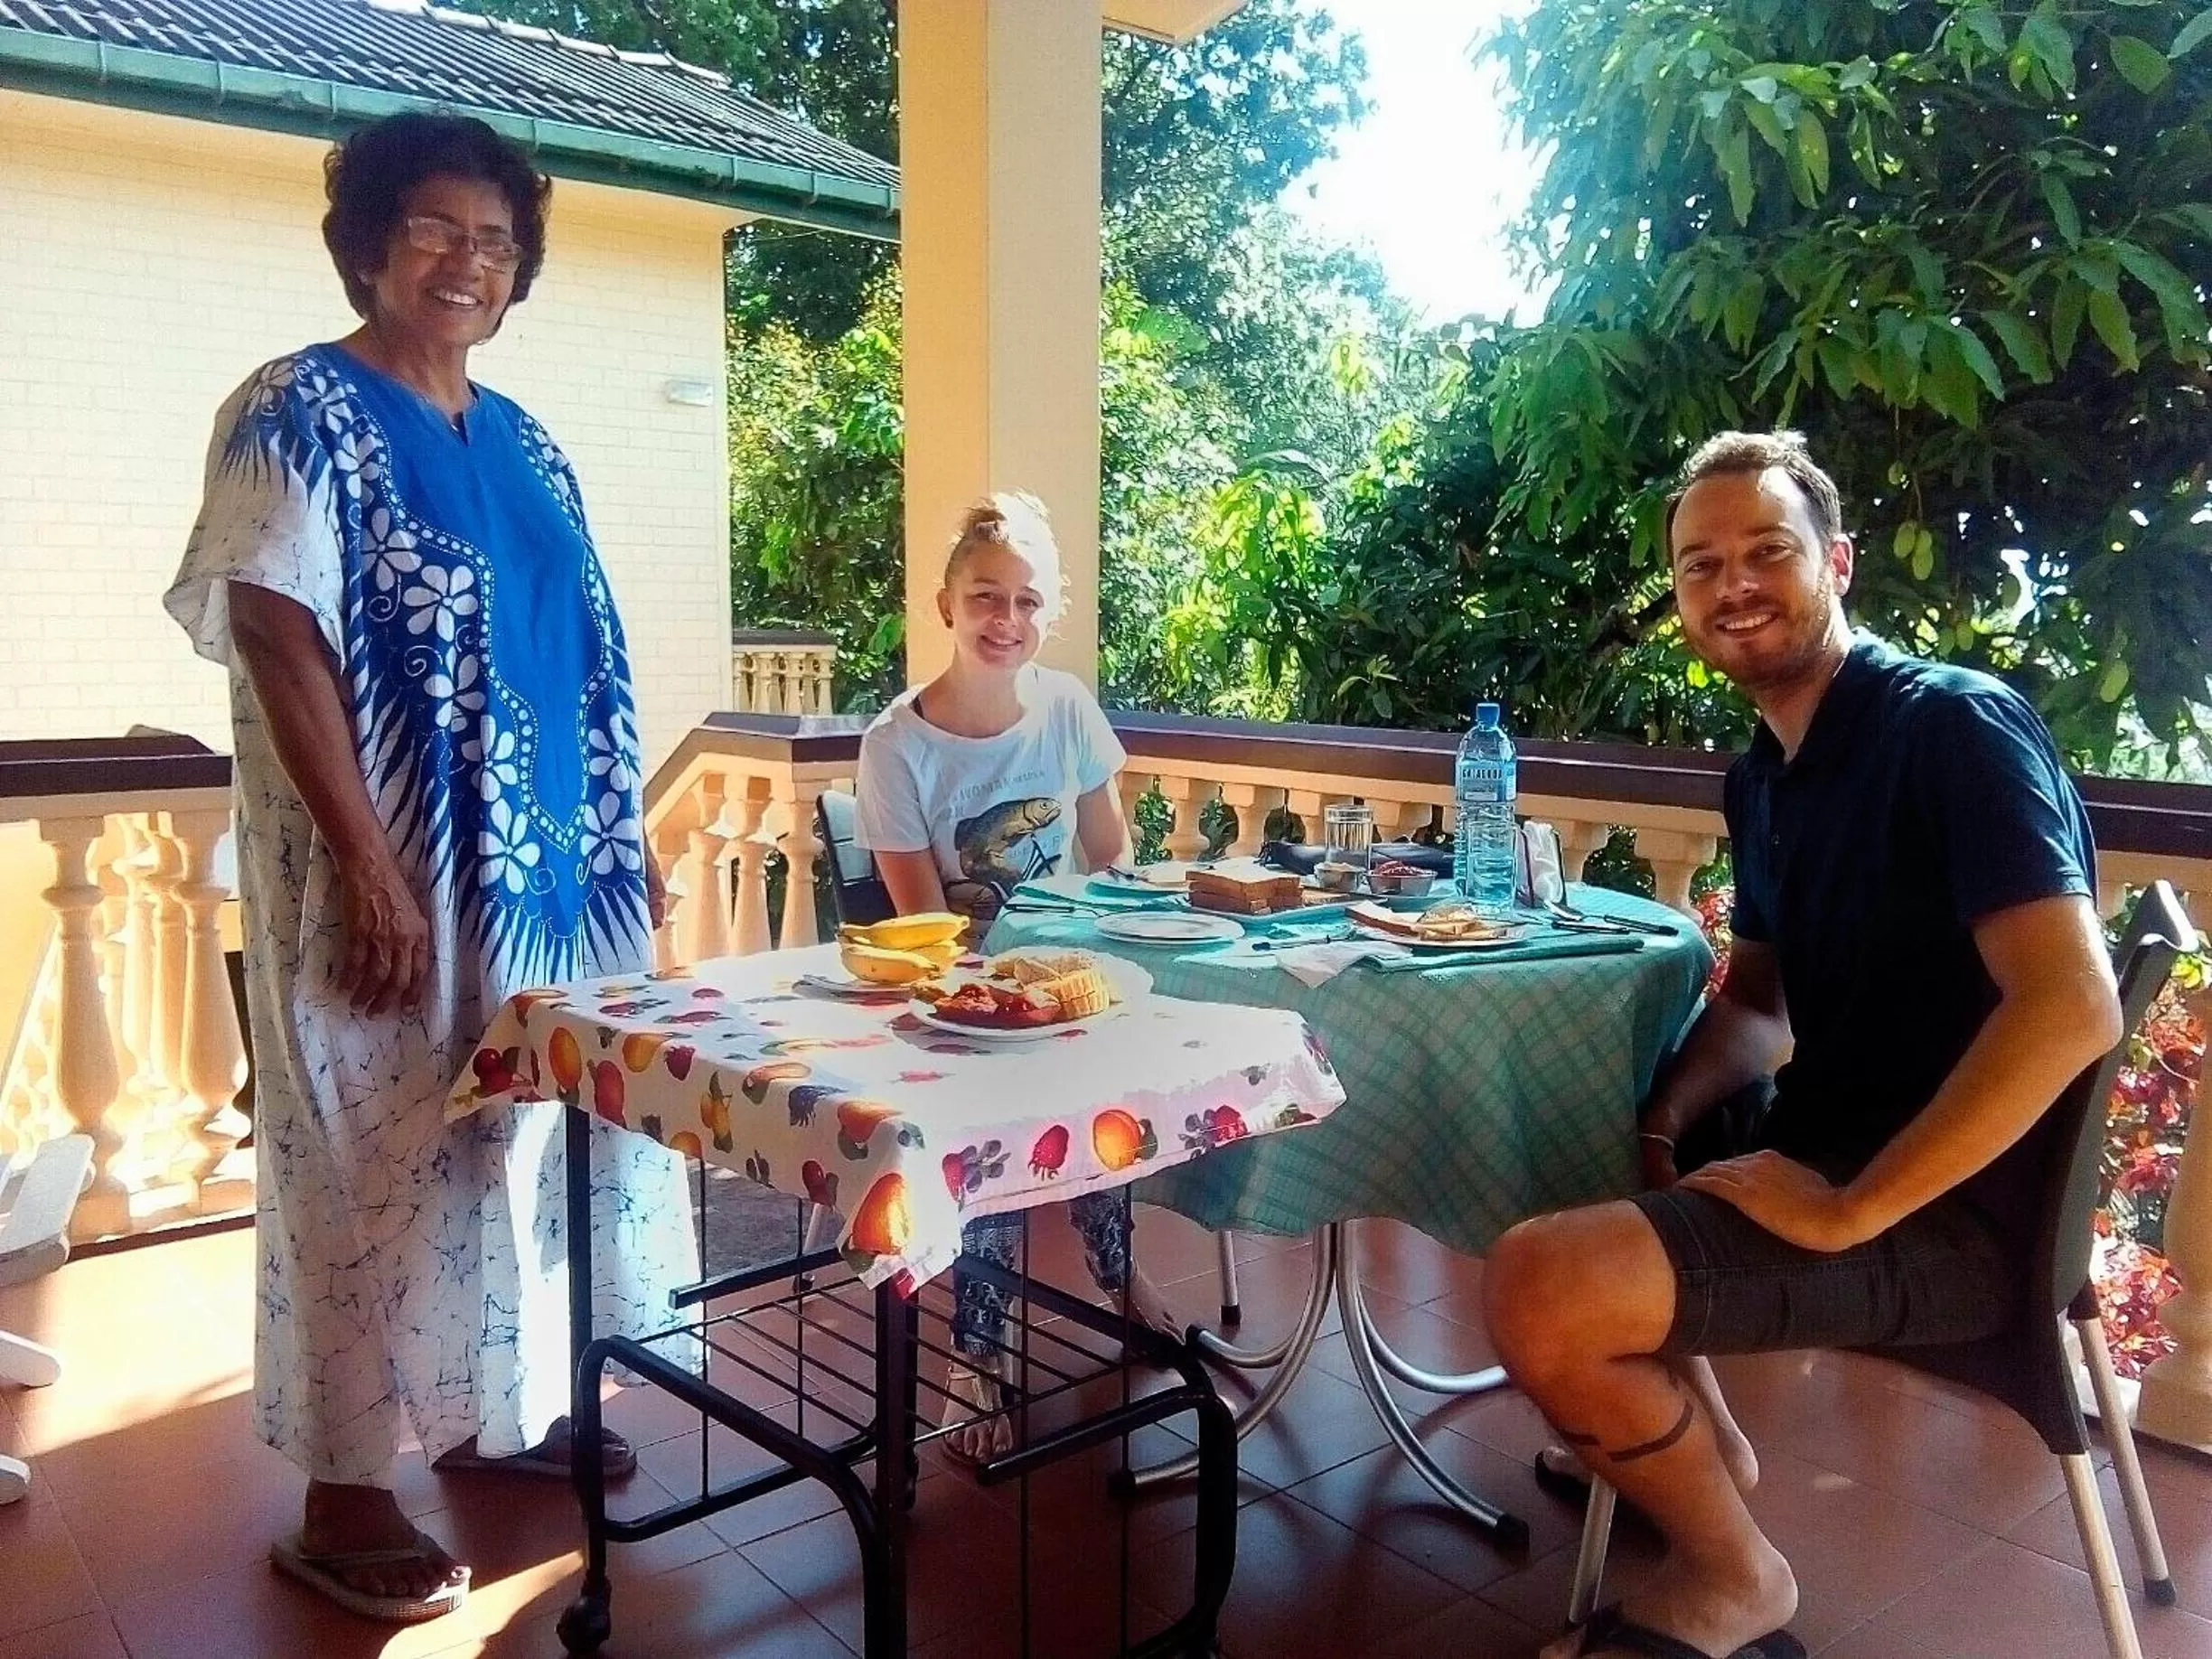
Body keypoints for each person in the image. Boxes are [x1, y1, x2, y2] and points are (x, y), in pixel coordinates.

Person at [164, 113, 698, 1625]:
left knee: (529, 1143)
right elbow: (275, 624)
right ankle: (342, 1491)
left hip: (551, 883)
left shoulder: (527, 438)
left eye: (497, 238)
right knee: (372, 1157)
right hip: (384, 877)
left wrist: (627, 849)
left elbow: (588, 657)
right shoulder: (293, 407)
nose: (470, 260)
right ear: (368, 240)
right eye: (437, 228)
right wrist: (368, 864)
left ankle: (495, 1413)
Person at [1481, 430, 2123, 1659]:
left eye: (1767, 551)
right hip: (1831, 1156)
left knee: (1535, 1283)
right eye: (1698, 565)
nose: (1733, 586)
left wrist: (1848, 1211)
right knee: (1606, 1114)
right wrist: (1664, 1120)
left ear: (1835, 563)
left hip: (1951, 1217)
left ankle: (1736, 1579)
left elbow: (2072, 1004)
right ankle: (1697, 1452)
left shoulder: (1951, 729)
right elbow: (1764, 1011)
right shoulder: (1764, 776)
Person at [853, 493, 1176, 1458]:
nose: (1008, 622)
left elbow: (1109, 858)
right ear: (944, 603)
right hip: (970, 1000)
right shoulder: (895, 747)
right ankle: (976, 1358)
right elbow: (922, 923)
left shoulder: (1069, 708)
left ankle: (1123, 1282)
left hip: (1074, 979)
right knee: (990, 1154)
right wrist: (999, 1003)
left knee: (1107, 1106)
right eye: (988, 597)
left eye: (1029, 603)